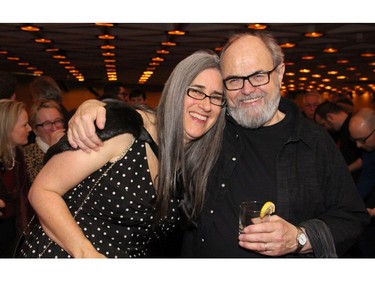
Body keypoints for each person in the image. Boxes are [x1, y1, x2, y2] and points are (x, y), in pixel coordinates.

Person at [66, 32, 369, 258]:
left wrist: (300, 237)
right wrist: (96, 106)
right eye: (234, 80)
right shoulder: (213, 127)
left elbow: (351, 218)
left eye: (258, 76)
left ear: (279, 73)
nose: (247, 89)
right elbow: (163, 120)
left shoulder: (314, 143)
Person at [18, 50, 227, 258]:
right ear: (175, 90)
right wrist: (85, 253)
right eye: (196, 91)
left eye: (216, 98)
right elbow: (43, 191)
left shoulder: (194, 162)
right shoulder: (125, 129)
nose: (206, 105)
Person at [0, 100, 33, 257]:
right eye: (24, 125)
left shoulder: (18, 154)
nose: (30, 129)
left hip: (15, 230)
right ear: (7, 128)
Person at [347, 107, 375, 257]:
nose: (358, 146)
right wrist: (355, 203)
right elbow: (368, 175)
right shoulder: (369, 149)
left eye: (362, 140)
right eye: (355, 140)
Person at [314, 101, 362, 183]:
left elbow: (365, 159)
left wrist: (341, 172)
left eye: (323, 125)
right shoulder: (341, 131)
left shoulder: (354, 128)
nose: (325, 129)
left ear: (329, 117)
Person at [23, 99, 66, 184]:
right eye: (47, 123)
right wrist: (53, 151)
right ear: (35, 130)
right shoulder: (28, 154)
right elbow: (41, 184)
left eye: (57, 121)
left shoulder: (74, 145)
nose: (54, 128)